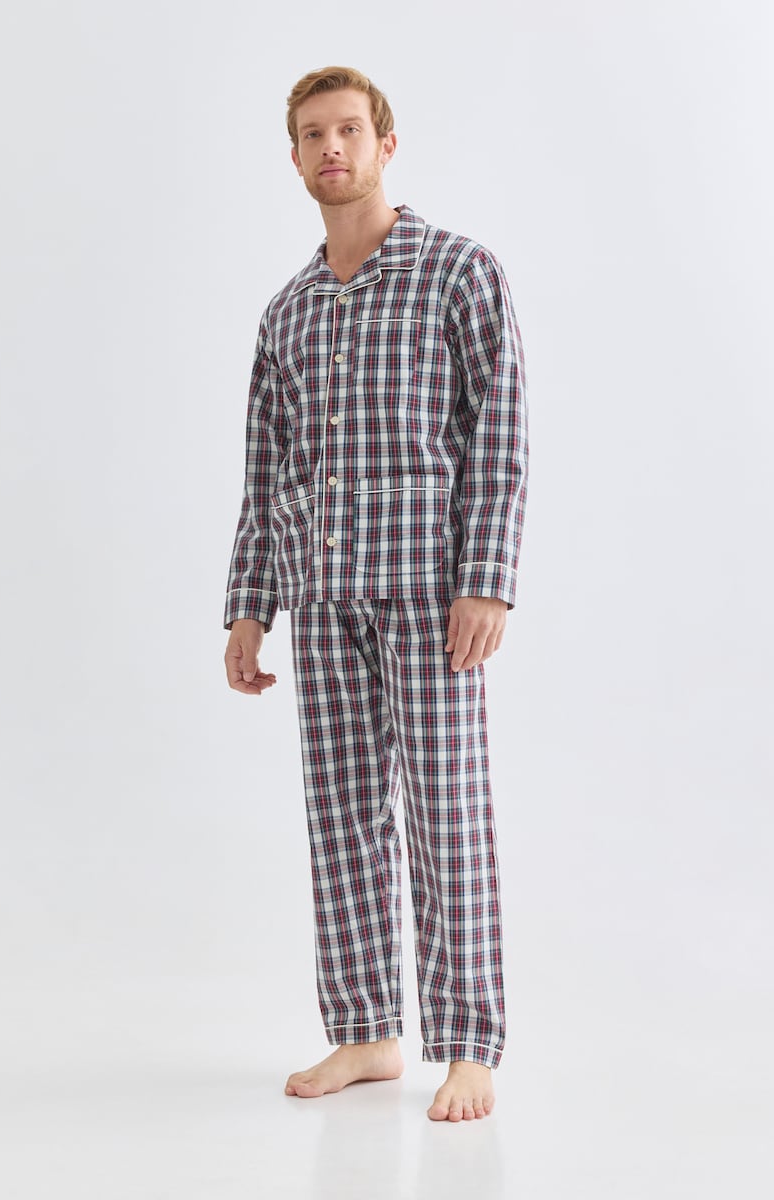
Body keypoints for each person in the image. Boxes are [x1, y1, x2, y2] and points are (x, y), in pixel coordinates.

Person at [222, 65, 528, 1123]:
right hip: (323, 593)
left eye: (348, 130)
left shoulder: (457, 272)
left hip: (430, 592)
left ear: (384, 144)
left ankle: (468, 1045)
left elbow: (499, 435)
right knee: (341, 817)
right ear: (295, 156)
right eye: (312, 134)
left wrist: (486, 582)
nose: (331, 149)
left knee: (446, 813)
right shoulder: (287, 312)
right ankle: (365, 1031)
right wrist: (251, 606)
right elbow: (267, 473)